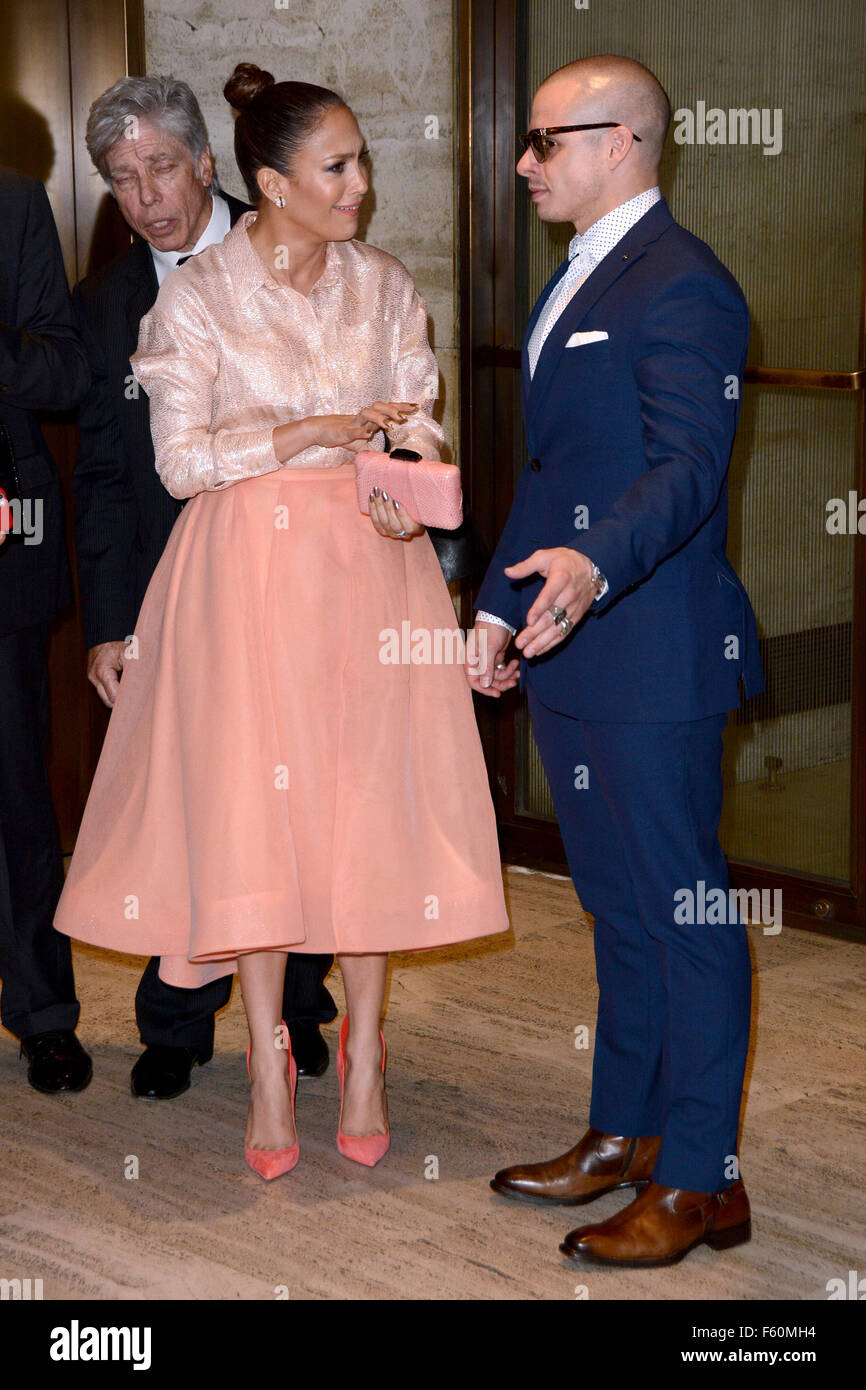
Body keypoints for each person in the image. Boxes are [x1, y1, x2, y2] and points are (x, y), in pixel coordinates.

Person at [55, 63, 508, 1177]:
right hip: (238, 581)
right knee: (249, 822)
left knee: (365, 813)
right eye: (338, 165)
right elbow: (176, 462)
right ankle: (266, 1062)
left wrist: (407, 496)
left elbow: (418, 433)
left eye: (358, 162)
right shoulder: (196, 297)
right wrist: (305, 434)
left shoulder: (389, 284)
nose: (360, 183)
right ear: (271, 181)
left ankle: (359, 1054)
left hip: (368, 578)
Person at [469, 55, 764, 1267]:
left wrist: (592, 568)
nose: (525, 162)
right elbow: (555, 475)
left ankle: (702, 1180)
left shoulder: (684, 286)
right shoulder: (579, 273)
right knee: (618, 911)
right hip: (571, 648)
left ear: (621, 144)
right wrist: (495, 606)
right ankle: (624, 1132)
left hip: (651, 655)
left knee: (685, 913)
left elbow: (685, 470)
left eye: (545, 141)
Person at [72, 76, 336, 1100]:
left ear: (207, 164)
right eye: (122, 178)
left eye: (162, 168)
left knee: (299, 796)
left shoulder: (294, 255)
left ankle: (301, 1006)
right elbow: (100, 480)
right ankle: (177, 1022)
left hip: (298, 585)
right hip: (175, 601)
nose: (147, 196)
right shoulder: (108, 304)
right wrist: (107, 628)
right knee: (183, 802)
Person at [0, 167, 92, 1092]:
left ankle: (41, 1010)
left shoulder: (14, 204)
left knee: (17, 789)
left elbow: (63, 370)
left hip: (1, 535)